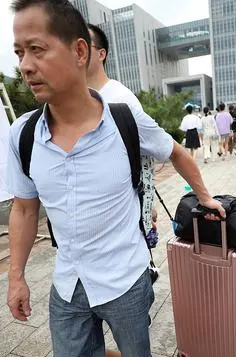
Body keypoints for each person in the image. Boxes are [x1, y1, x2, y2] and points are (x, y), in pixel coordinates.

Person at [7, 2, 225, 357]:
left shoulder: (124, 118)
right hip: (70, 279)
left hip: (125, 272)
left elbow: (177, 152)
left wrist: (205, 197)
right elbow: (23, 207)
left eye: (37, 49)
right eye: (19, 53)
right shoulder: (23, 135)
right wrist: (16, 276)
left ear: (81, 51)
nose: (26, 66)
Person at [86, 23, 157, 236]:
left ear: (101, 54)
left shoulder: (120, 98)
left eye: (82, 44)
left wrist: (147, 205)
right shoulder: (75, 100)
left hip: (123, 214)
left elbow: (144, 156)